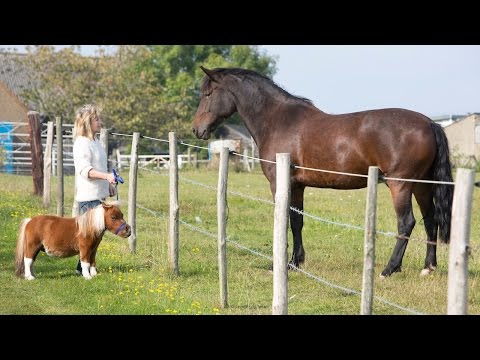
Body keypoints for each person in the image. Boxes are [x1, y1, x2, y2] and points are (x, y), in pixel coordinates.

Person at [72, 104, 117, 275]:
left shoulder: (96, 141)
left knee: (95, 236)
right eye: (96, 119)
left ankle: (85, 266)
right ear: (87, 122)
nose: (100, 122)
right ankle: (84, 267)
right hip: (88, 196)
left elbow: (99, 167)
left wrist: (109, 186)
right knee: (89, 236)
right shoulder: (82, 144)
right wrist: (106, 176)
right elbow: (86, 171)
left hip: (99, 195)